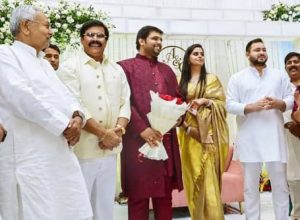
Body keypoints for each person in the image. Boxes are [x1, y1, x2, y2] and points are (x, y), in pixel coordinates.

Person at [0, 5, 92, 220]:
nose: (51, 31)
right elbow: (20, 96)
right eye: (47, 25)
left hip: (58, 155)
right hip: (30, 159)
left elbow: (66, 96)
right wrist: (63, 125)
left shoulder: (42, 61)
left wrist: (77, 117)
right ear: (25, 26)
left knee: (68, 210)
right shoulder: (6, 54)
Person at [57, 20, 131, 220]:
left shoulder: (117, 69)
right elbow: (75, 104)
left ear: (106, 40)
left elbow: (126, 102)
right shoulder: (69, 67)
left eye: (100, 36)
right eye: (91, 35)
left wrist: (117, 132)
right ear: (82, 39)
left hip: (110, 149)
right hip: (82, 150)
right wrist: (102, 134)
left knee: (105, 204)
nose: (96, 39)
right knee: (79, 205)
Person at [117, 25, 183, 220]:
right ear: (141, 41)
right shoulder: (125, 67)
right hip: (137, 141)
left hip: (166, 140)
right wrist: (142, 128)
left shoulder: (167, 70)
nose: (159, 43)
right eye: (154, 38)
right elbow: (123, 101)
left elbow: (177, 99)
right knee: (138, 196)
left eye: (161, 39)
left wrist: (178, 116)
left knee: (164, 196)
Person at [226, 38, 294, 220]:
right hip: (249, 139)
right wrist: (251, 107)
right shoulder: (237, 78)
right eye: (257, 49)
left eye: (264, 49)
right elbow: (229, 105)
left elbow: (290, 98)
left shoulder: (279, 75)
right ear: (248, 54)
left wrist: (279, 103)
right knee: (250, 187)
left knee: (280, 185)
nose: (261, 52)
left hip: (274, 137)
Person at [178, 44, 229, 220]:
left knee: (208, 175)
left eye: (202, 54)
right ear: (188, 58)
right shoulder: (180, 80)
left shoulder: (211, 79)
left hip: (208, 133)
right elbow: (176, 106)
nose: (200, 56)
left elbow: (223, 105)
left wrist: (206, 101)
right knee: (193, 176)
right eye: (195, 54)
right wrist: (184, 124)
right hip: (187, 132)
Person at [283, 52, 300, 220]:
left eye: (296, 61)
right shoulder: (283, 88)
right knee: (294, 178)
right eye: (289, 62)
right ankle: (296, 215)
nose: (293, 64)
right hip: (289, 136)